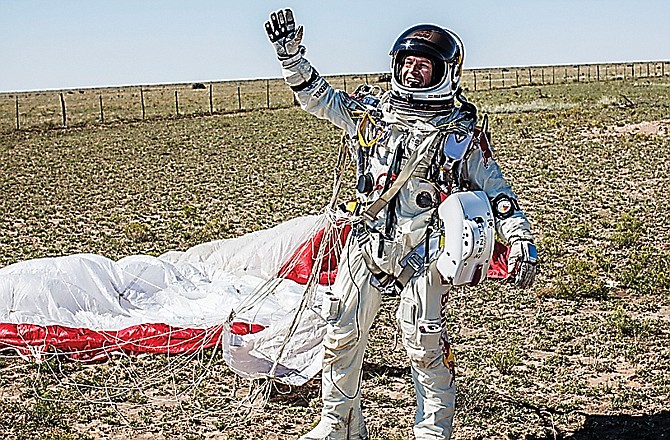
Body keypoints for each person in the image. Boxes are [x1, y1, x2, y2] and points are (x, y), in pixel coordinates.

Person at [265, 9, 537, 440]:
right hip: (367, 242)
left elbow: (497, 192)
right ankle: (338, 427)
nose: (412, 71)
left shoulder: (460, 132)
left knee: (425, 348)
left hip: (424, 251)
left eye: (423, 64)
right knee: (340, 335)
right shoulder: (373, 113)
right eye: (406, 62)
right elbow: (318, 98)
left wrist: (521, 238)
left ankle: (432, 432)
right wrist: (290, 55)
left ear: (445, 72)